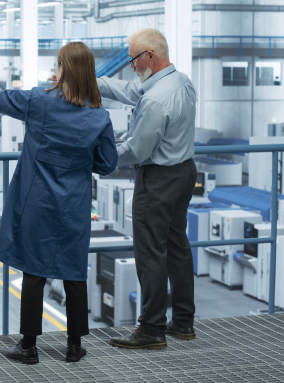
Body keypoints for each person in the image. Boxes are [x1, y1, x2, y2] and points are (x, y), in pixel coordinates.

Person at [0, 41, 118, 363]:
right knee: (74, 272)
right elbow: (106, 163)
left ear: (64, 69)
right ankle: (75, 345)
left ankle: (28, 346)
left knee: (35, 272)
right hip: (74, 204)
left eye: (58, 65)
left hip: (38, 202)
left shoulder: (39, 101)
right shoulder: (99, 116)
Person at [96, 28, 198, 350]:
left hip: (158, 180)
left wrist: (99, 156)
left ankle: (152, 329)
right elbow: (131, 90)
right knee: (177, 246)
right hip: (184, 173)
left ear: (149, 57)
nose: (131, 66)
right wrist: (90, 81)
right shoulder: (179, 81)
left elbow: (136, 150)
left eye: (133, 60)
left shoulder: (155, 99)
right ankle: (182, 323)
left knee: (150, 252)